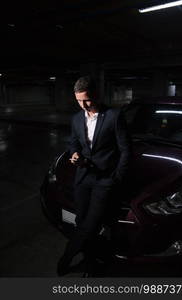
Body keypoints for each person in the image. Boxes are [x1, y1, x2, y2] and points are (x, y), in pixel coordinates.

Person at [57, 76, 131, 277]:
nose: (83, 105)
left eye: (87, 100)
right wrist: (74, 153)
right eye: (78, 100)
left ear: (96, 95)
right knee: (82, 222)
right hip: (83, 178)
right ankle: (90, 263)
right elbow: (74, 143)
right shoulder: (76, 118)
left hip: (104, 180)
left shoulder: (114, 116)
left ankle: (67, 257)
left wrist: (116, 178)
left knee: (92, 224)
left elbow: (125, 150)